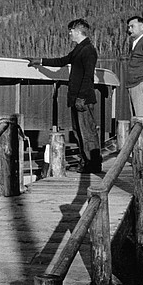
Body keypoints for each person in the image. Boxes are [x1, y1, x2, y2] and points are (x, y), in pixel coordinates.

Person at [31, 18, 101, 173]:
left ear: (77, 31)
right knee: (78, 132)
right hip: (76, 99)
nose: (69, 33)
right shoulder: (79, 49)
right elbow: (61, 61)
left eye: (70, 30)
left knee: (87, 132)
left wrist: (81, 98)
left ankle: (93, 164)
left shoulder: (88, 50)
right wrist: (40, 61)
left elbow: (88, 76)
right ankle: (86, 162)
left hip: (83, 100)